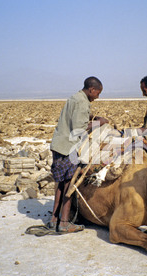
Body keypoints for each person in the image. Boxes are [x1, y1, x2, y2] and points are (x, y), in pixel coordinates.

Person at [49, 76, 108, 234]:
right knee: (70, 184)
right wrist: (99, 123)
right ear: (91, 90)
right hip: (68, 148)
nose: (98, 96)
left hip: (58, 145)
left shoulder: (75, 98)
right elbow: (79, 128)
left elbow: (74, 116)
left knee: (60, 184)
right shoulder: (82, 102)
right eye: (98, 93)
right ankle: (64, 222)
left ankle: (54, 219)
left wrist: (91, 117)